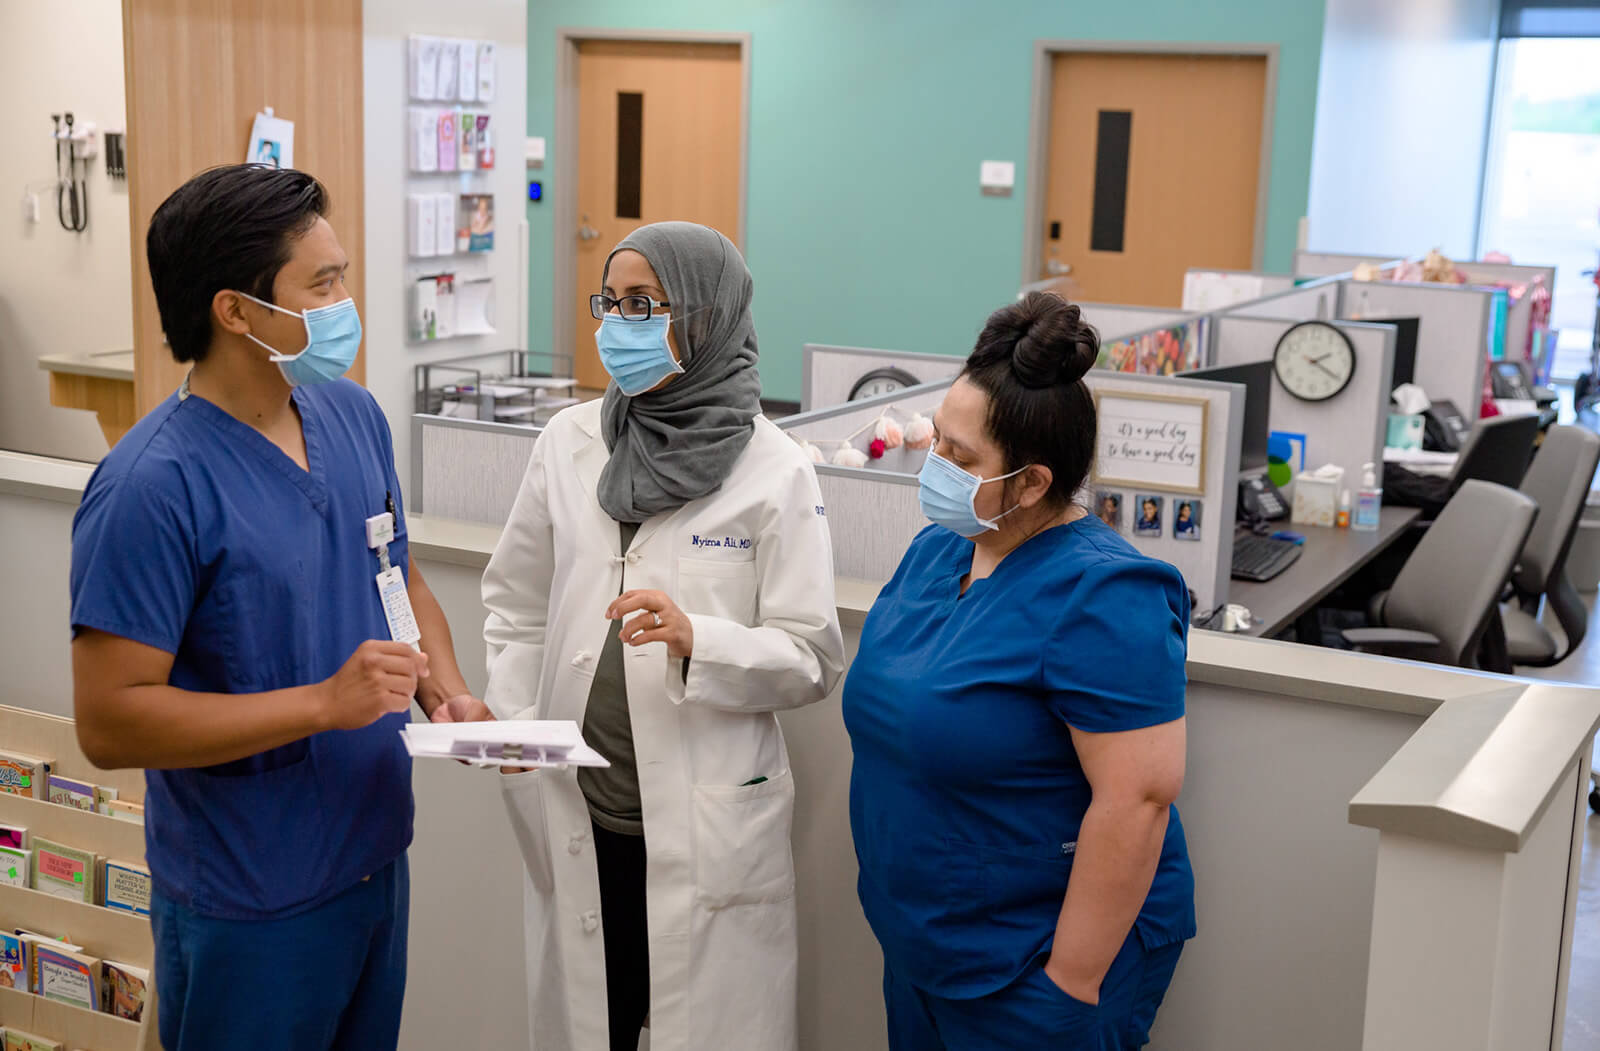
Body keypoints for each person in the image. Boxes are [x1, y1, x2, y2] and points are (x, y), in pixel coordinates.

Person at [69, 165, 489, 1051]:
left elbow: (398, 576)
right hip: (249, 897)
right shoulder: (151, 487)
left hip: (374, 858)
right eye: (323, 283)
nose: (346, 302)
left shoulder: (351, 415)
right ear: (236, 311)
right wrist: (322, 705)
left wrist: (446, 696)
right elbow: (110, 721)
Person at [483, 221, 845, 1051]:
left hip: (704, 825)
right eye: (609, 302)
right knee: (590, 1026)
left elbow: (812, 655)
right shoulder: (567, 442)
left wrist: (701, 641)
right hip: (583, 812)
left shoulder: (775, 469)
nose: (618, 324)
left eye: (644, 304)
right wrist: (518, 722)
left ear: (707, 315)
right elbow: (516, 605)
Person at [844, 292, 1195, 1049]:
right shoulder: (940, 549)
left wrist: (1068, 982)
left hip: (1032, 963)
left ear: (1032, 482)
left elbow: (1139, 799)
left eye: (960, 458)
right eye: (937, 439)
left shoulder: (1106, 594)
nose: (934, 465)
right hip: (926, 943)